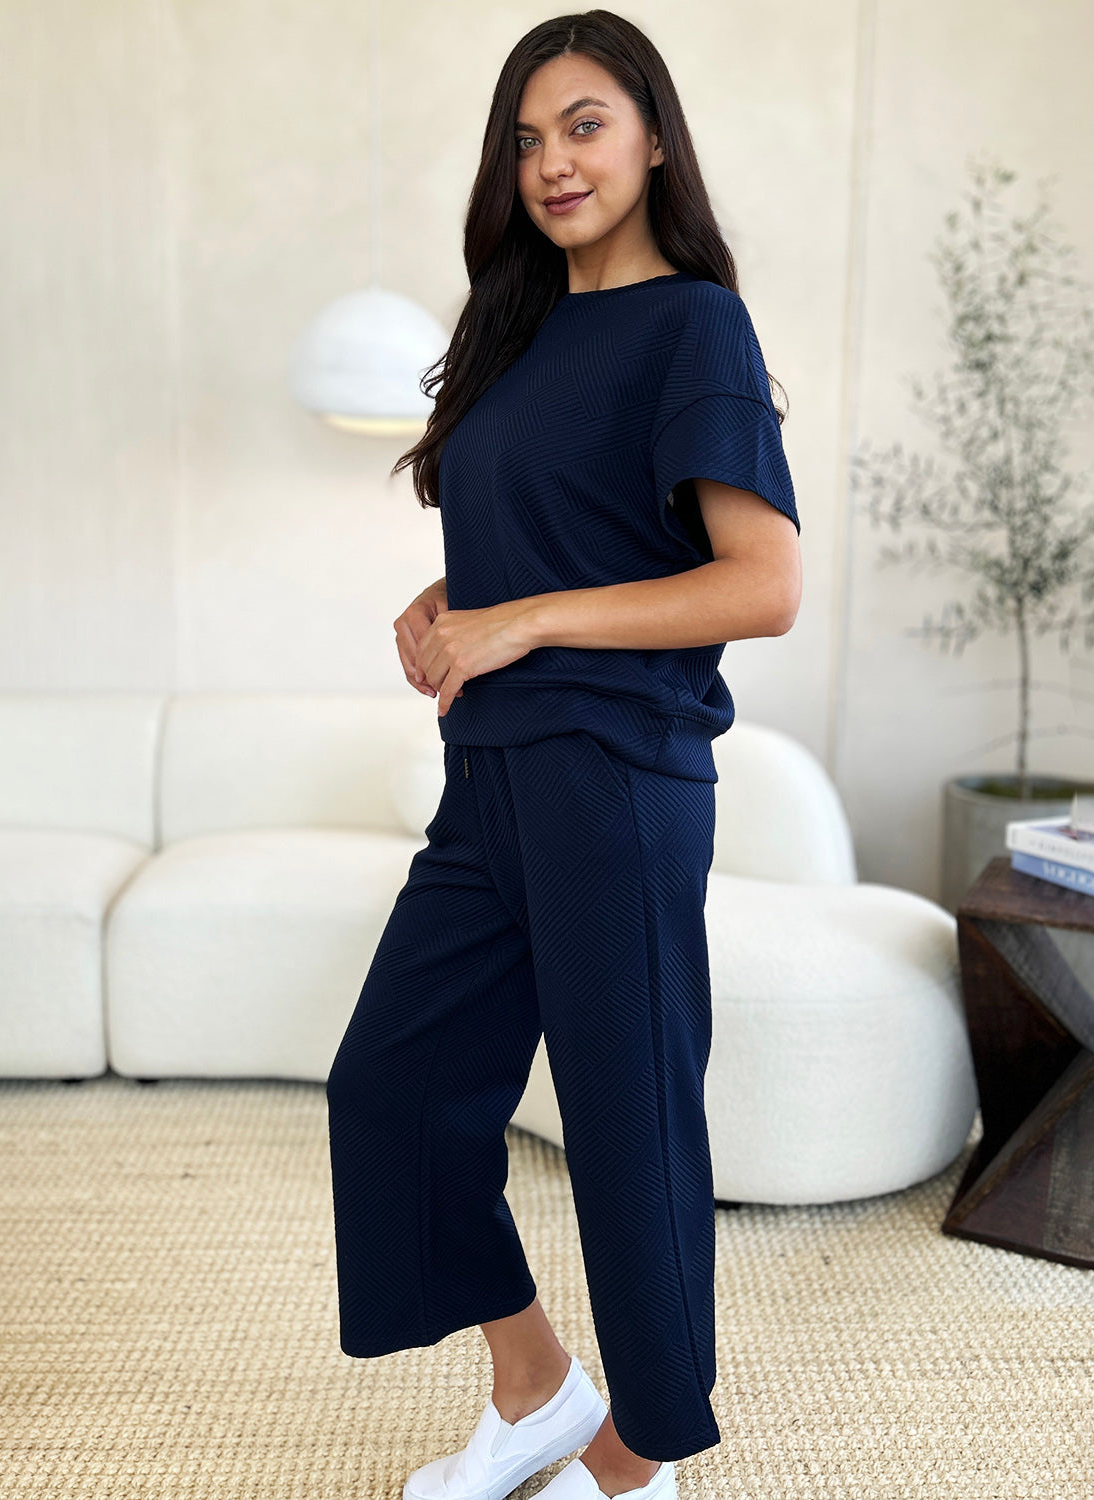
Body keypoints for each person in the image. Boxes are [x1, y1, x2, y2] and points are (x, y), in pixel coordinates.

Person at [325, 10, 802, 1500]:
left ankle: (637, 1456)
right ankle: (534, 1391)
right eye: (526, 138)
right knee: (390, 1093)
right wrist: (457, 601)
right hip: (494, 782)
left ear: (653, 136)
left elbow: (760, 582)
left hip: (615, 776)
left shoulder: (694, 325)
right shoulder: (523, 326)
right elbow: (552, 530)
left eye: (584, 124)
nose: (551, 162)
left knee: (624, 1127)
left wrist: (524, 619)